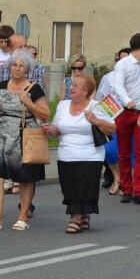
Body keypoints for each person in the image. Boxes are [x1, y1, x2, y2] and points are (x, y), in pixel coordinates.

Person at [0, 50, 50, 231]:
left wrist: (29, 103)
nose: (17, 69)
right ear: (9, 66)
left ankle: (22, 216)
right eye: (14, 65)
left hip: (24, 136)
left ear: (27, 68)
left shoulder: (34, 88)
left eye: (21, 65)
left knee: (26, 178)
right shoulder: (1, 85)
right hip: (2, 135)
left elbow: (45, 114)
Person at [43, 73, 115, 233]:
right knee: (68, 188)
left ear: (86, 91)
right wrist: (50, 129)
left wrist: (96, 120)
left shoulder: (98, 106)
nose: (71, 88)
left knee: (83, 187)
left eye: (76, 85)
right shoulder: (62, 105)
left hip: (91, 155)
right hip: (65, 155)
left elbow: (113, 129)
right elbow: (57, 129)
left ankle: (74, 218)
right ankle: (84, 214)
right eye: (71, 84)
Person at [96, 48, 131, 194]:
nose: (120, 63)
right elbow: (100, 98)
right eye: (118, 60)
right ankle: (118, 178)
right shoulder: (108, 77)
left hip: (132, 118)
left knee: (130, 152)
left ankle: (128, 182)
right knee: (110, 151)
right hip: (113, 119)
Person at [113, 33, 140, 204]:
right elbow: (117, 86)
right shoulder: (123, 64)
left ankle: (138, 190)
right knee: (123, 153)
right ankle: (127, 188)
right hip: (124, 111)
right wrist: (127, 100)